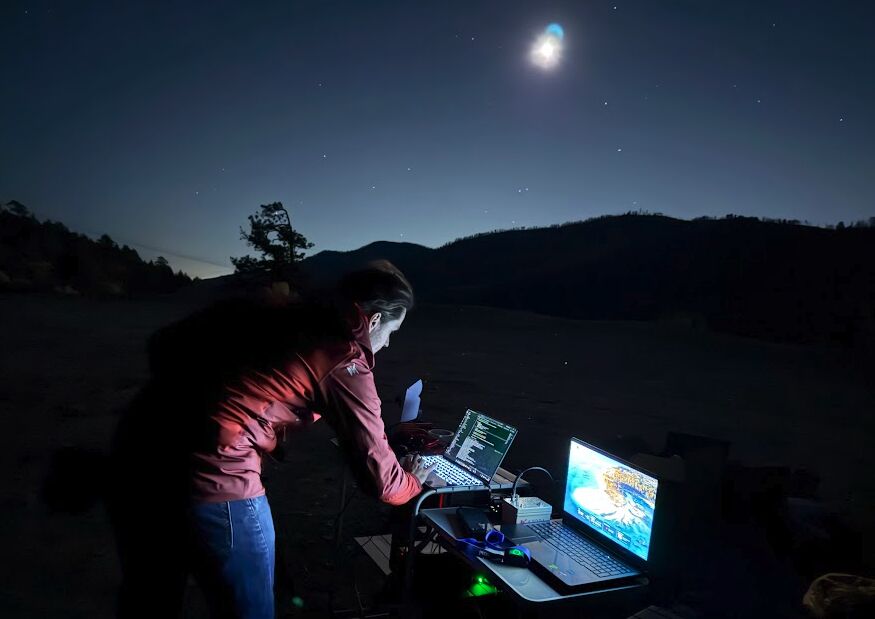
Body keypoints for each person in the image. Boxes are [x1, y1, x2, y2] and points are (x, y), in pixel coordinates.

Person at [107, 260, 435, 619]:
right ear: (372, 320)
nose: (386, 344)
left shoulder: (282, 313)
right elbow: (382, 481)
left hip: (138, 457)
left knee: (149, 600)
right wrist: (416, 482)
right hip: (215, 477)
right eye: (391, 331)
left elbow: (164, 345)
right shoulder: (342, 355)